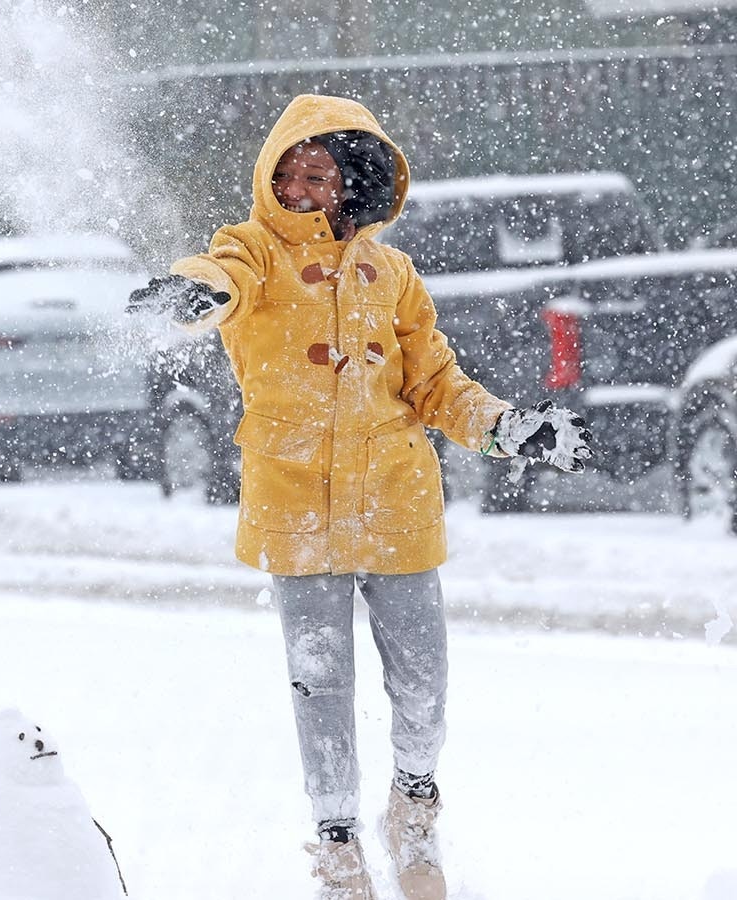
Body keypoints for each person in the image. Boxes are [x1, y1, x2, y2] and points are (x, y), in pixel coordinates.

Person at [127, 95, 591, 900]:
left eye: (320, 173)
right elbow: (222, 276)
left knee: (422, 681)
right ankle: (338, 847)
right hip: (296, 505)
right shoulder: (252, 251)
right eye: (290, 172)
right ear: (270, 179)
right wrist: (192, 292)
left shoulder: (393, 274)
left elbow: (438, 384)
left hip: (396, 503)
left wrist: (509, 427)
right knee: (320, 682)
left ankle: (413, 812)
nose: (303, 187)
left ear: (350, 187)